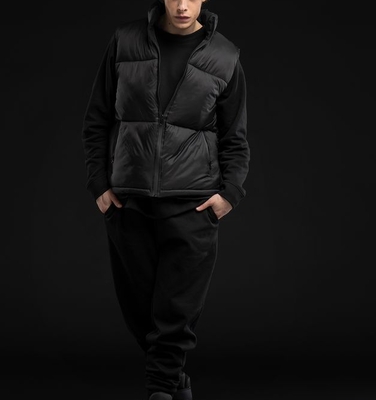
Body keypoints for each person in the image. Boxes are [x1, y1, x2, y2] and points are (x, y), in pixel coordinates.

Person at [82, 0, 249, 399]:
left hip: (193, 204)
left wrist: (229, 194)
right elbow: (97, 118)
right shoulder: (125, 41)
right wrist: (99, 184)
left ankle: (159, 388)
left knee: (176, 310)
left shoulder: (225, 56)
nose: (182, 5)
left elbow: (235, 138)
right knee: (139, 309)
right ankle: (175, 381)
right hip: (129, 201)